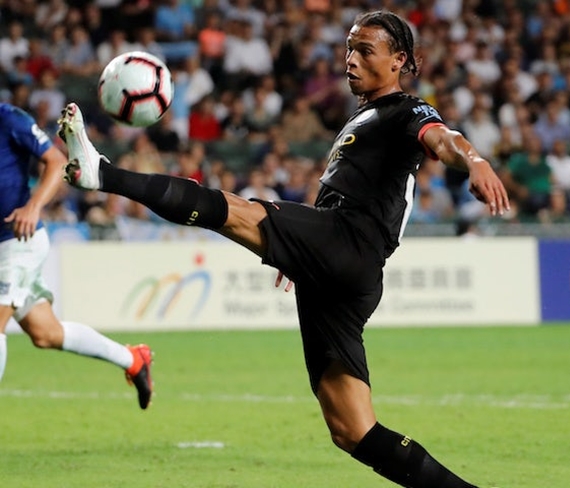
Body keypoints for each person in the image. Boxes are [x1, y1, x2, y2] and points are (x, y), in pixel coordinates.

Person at [58, 11, 509, 487]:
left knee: (231, 210)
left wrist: (475, 161)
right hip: (342, 265)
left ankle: (101, 174)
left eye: (365, 51)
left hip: (348, 243)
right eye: (349, 49)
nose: (351, 60)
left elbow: (444, 139)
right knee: (352, 429)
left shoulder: (406, 110)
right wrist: (299, 253)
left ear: (399, 60)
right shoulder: (365, 116)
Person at [0, 102, 153, 410]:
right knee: (46, 333)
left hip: (18, 241)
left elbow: (56, 161)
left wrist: (33, 207)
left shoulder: (9, 118)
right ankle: (133, 359)